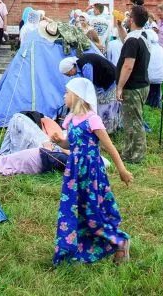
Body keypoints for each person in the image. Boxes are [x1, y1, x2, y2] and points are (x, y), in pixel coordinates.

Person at [49, 76, 132, 265]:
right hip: (74, 172)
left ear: (77, 96)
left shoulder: (92, 119)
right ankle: (73, 248)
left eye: (67, 92)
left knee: (93, 209)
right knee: (75, 209)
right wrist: (59, 141)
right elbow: (71, 143)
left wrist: (122, 170)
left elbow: (110, 147)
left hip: (91, 172)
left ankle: (120, 241)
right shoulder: (70, 120)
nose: (64, 96)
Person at [115, 4, 151, 164]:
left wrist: (119, 87)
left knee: (134, 122)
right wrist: (119, 26)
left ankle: (137, 156)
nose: (127, 18)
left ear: (132, 19)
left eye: (129, 16)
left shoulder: (133, 41)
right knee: (130, 121)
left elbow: (128, 65)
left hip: (133, 86)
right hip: (142, 84)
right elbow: (126, 40)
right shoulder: (141, 35)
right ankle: (129, 152)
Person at [58, 48, 120, 133]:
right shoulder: (79, 65)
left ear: (71, 69)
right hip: (101, 82)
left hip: (109, 79)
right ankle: (105, 129)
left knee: (105, 105)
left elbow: (89, 85)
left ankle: (107, 131)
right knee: (102, 104)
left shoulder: (85, 66)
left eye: (67, 74)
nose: (68, 76)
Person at [144, 28, 163, 108]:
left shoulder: (145, 48)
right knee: (156, 91)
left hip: (147, 78)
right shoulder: (161, 49)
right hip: (159, 77)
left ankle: (147, 102)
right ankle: (156, 104)